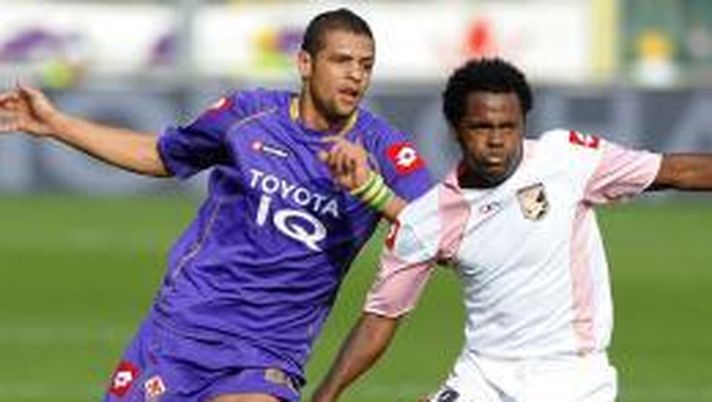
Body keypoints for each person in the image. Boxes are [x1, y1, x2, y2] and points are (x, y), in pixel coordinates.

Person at [0, 8, 432, 402]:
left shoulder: (383, 151)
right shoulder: (247, 115)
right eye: (342, 61)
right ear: (305, 63)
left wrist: (372, 191)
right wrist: (56, 124)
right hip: (182, 327)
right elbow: (162, 154)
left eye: (366, 65)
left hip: (267, 353)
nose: (355, 75)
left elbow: (442, 234)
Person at [311, 58, 712, 402]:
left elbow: (676, 171)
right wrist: (324, 396)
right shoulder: (427, 220)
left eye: (508, 126)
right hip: (482, 377)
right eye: (482, 127)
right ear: (455, 129)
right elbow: (379, 320)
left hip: (571, 377)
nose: (497, 140)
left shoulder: (566, 159)